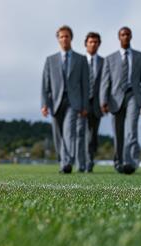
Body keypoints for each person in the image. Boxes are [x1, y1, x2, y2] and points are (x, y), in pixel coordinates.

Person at [100, 27, 141, 174]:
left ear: (131, 36)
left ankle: (131, 162)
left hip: (133, 96)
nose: (125, 37)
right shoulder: (110, 59)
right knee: (118, 132)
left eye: (128, 34)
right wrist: (103, 101)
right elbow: (105, 81)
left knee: (131, 130)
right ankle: (119, 161)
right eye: (123, 35)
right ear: (119, 37)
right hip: (115, 99)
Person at [41, 25, 89, 174]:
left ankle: (67, 163)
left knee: (69, 132)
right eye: (61, 36)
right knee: (58, 135)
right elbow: (45, 84)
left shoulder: (81, 59)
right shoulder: (50, 60)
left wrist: (85, 105)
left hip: (73, 103)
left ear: (71, 38)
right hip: (55, 102)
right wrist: (44, 104)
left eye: (66, 36)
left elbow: (85, 85)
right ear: (58, 39)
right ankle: (62, 160)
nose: (64, 39)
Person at [84, 32, 105, 172]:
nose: (93, 44)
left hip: (97, 104)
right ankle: (84, 161)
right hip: (81, 103)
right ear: (86, 44)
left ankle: (90, 159)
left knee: (93, 135)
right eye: (91, 42)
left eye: (96, 42)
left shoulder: (104, 62)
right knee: (82, 133)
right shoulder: (79, 61)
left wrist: (106, 102)